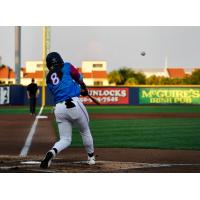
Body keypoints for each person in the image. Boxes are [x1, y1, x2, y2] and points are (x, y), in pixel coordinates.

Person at [40, 52, 95, 169]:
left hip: (59, 108)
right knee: (85, 130)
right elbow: (79, 78)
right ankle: (91, 158)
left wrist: (80, 90)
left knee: (65, 139)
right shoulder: (67, 66)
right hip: (73, 104)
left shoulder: (48, 77)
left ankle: (52, 152)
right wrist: (83, 87)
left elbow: (62, 89)